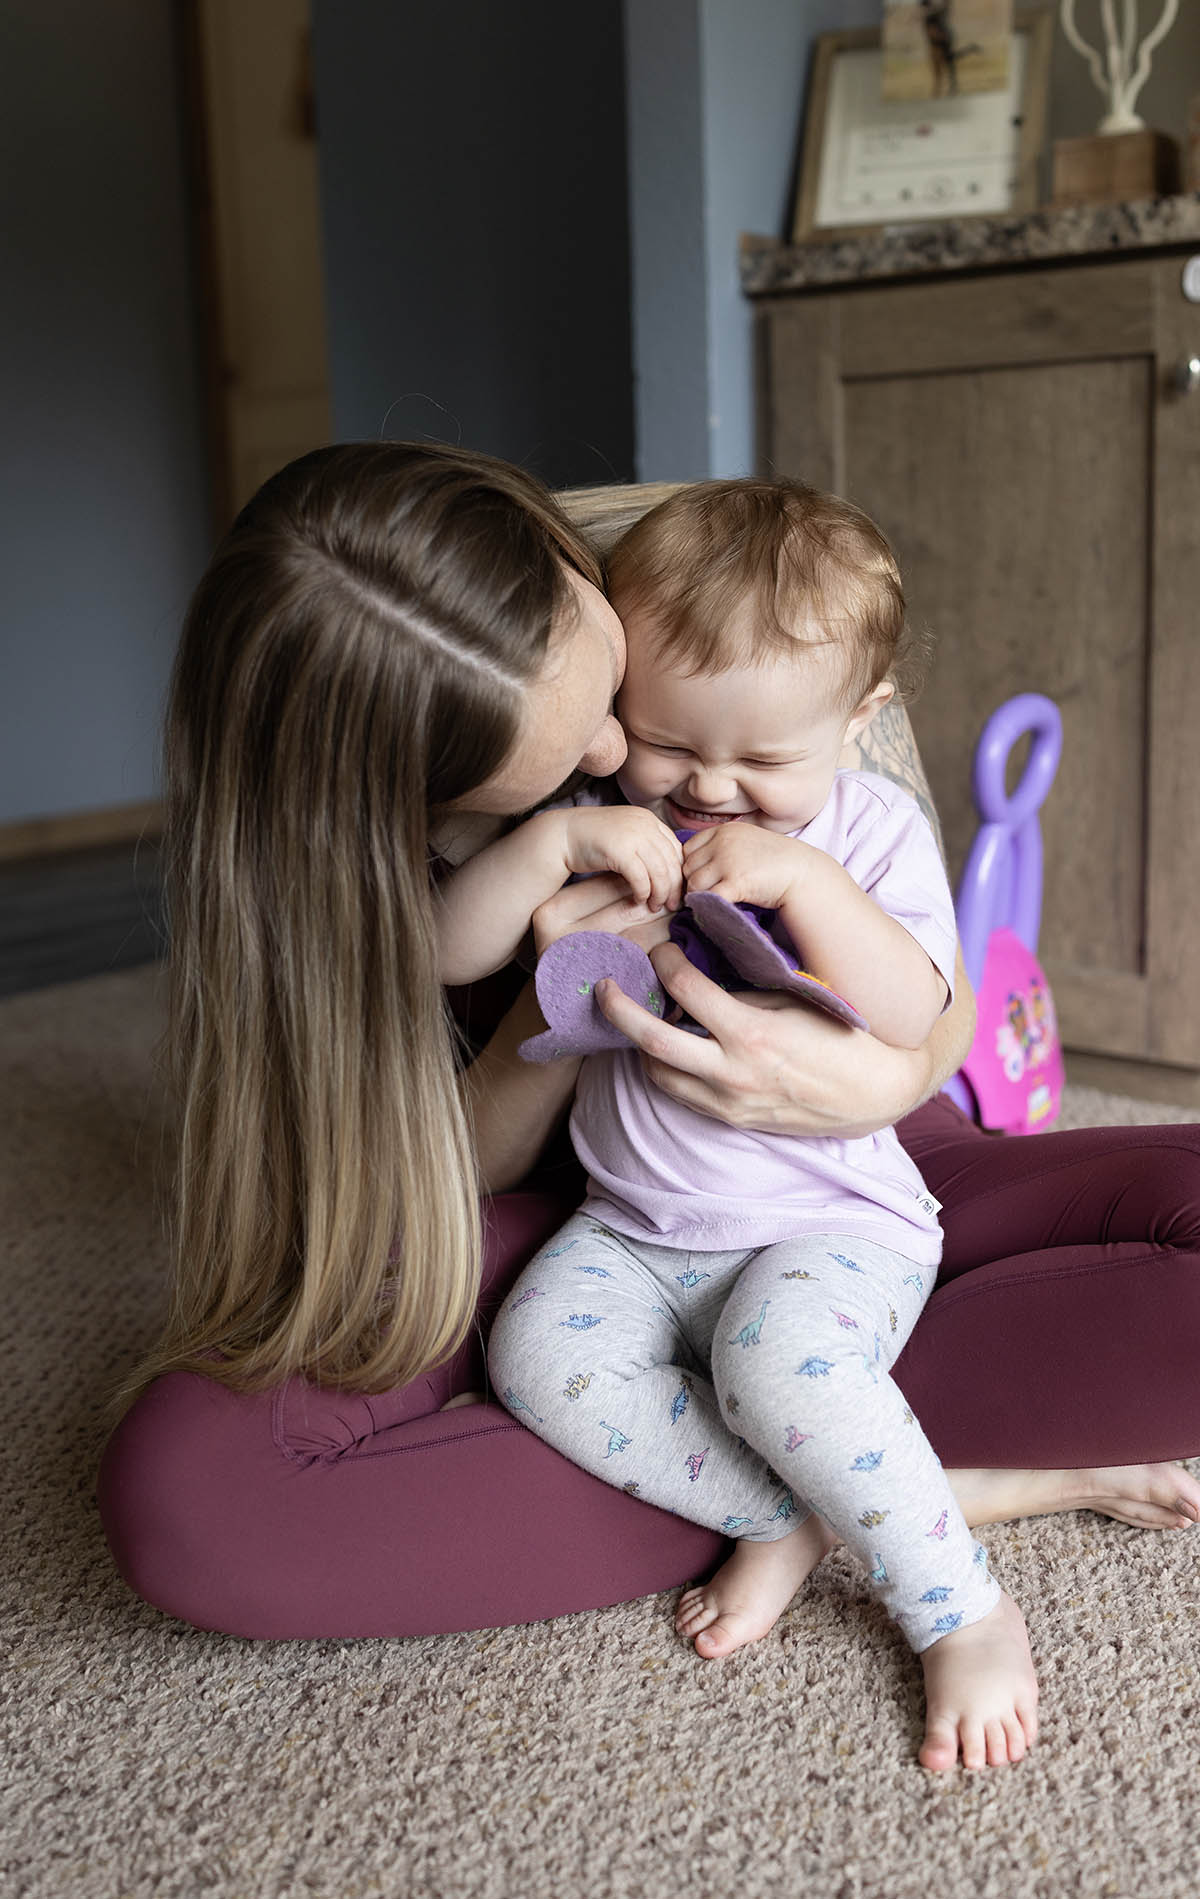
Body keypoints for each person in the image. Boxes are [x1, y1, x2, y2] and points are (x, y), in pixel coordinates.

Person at [97, 443, 1200, 1778]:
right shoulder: (477, 818)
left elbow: (924, 993)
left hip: (838, 1186)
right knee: (240, 1480)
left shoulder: (727, 599)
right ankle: (883, 1499)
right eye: (598, 749)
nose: (646, 770)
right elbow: (445, 1019)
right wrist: (553, 953)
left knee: (784, 1353)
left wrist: (876, 1075)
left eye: (608, 696)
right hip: (606, 1208)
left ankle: (886, 1512)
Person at [451, 478, 1030, 1767]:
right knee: (538, 1357)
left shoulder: (869, 836)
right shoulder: (601, 823)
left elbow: (915, 1007)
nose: (710, 787)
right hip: (636, 1227)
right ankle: (807, 1508)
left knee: (776, 1366)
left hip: (829, 1224)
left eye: (765, 762)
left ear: (860, 721)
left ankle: (959, 1609)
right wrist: (547, 859)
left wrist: (806, 882)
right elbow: (448, 950)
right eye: (667, 742)